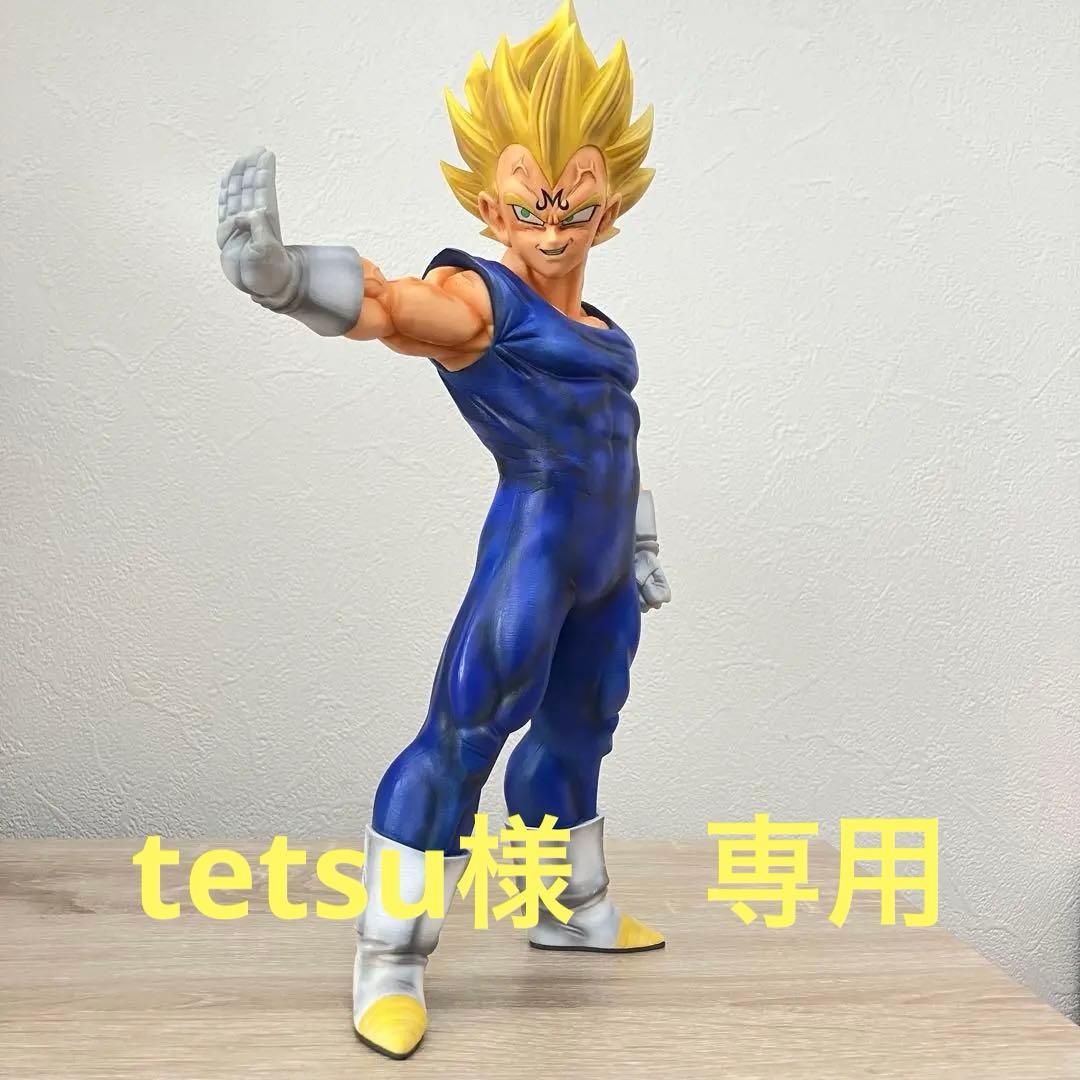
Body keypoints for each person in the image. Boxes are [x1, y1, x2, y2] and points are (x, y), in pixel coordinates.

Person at [216, 0, 672, 1059]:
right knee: (467, 731)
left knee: (582, 728)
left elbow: (618, 439)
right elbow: (393, 308)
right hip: (535, 551)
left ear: (609, 207)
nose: (552, 228)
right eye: (530, 207)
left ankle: (564, 907)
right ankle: (390, 958)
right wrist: (287, 281)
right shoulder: (482, 304)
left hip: (606, 568)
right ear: (489, 207)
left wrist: (644, 545)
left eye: (575, 205)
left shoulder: (605, 329)